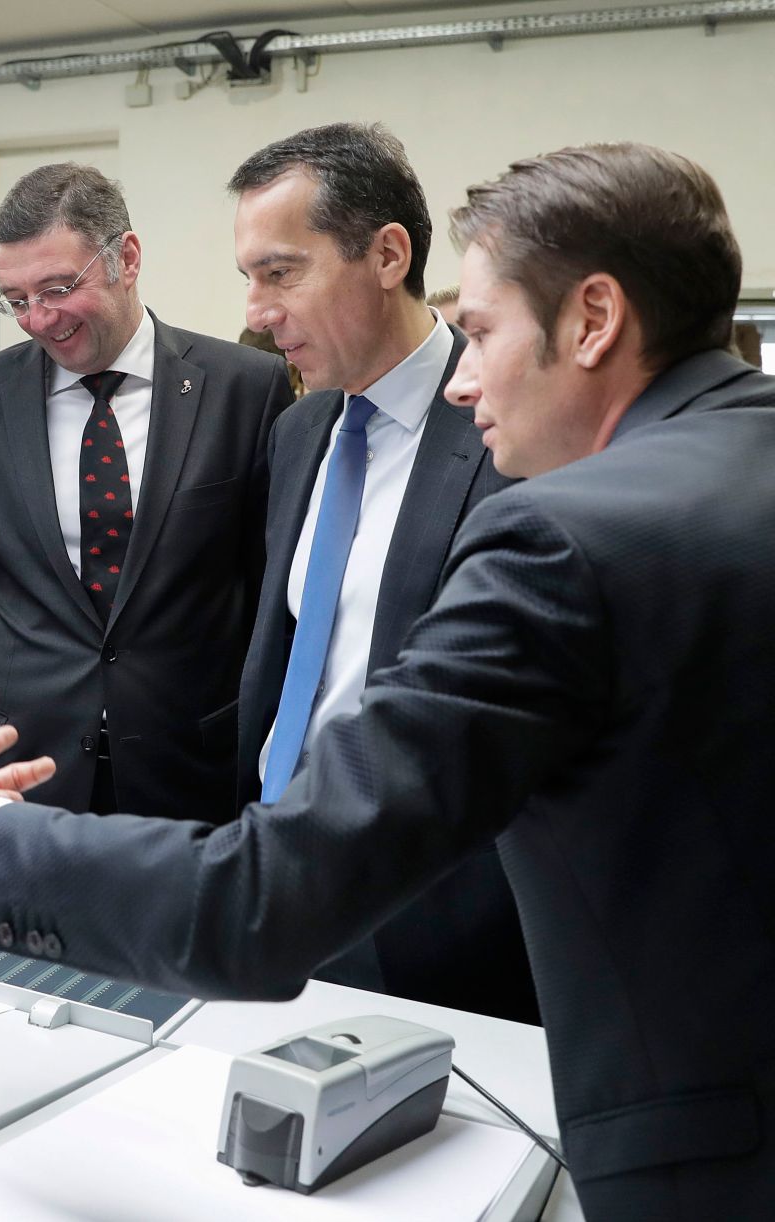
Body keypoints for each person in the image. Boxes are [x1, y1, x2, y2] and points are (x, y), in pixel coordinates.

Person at [0, 143, 775, 1220]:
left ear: (591, 320)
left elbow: (272, 886)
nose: (461, 372)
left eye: (484, 331)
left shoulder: (559, 530)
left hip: (684, 1118)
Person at [230, 123, 533, 1022]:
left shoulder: (506, 439)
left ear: (388, 254)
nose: (254, 310)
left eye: (281, 272)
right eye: (249, 276)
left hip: (434, 921)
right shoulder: (299, 433)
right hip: (279, 869)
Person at [0, 163, 293, 821]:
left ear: (127, 256)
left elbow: (262, 585)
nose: (38, 319)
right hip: (25, 755)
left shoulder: (244, 387)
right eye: (15, 299)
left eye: (59, 287)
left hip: (188, 758)